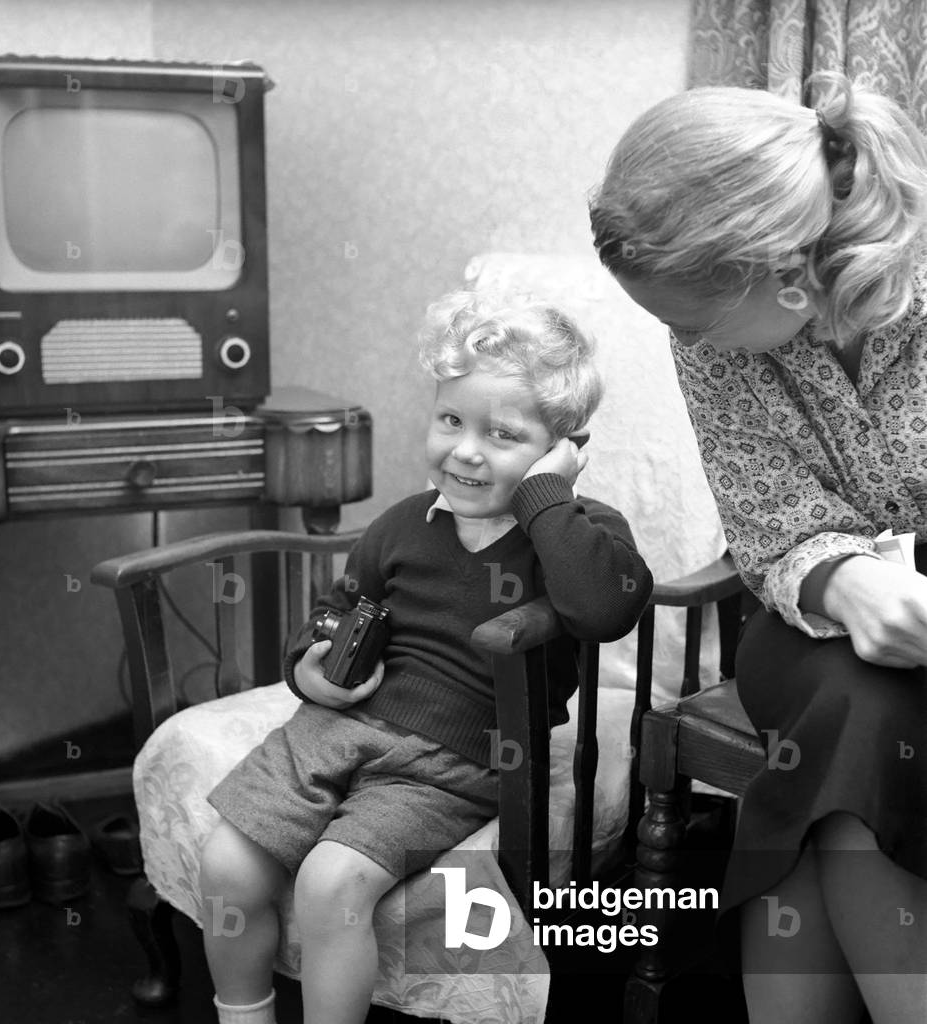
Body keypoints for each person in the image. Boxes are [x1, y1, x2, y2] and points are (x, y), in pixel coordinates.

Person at [197, 290, 653, 1024]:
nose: (465, 450)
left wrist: (545, 500)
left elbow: (603, 609)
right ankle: (241, 1012)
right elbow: (337, 607)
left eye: (501, 434)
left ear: (563, 452)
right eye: (451, 420)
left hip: (453, 759)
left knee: (330, 883)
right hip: (332, 727)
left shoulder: (578, 533)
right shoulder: (403, 524)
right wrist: (308, 663)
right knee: (225, 863)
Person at [588, 70, 927, 1023]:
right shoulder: (711, 339)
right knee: (853, 698)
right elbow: (766, 523)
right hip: (796, 617)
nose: (682, 342)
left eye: (690, 320)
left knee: (844, 747)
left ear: (784, 271)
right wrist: (841, 582)